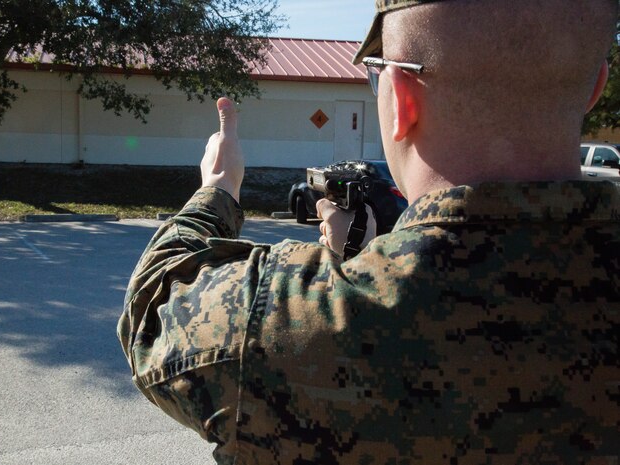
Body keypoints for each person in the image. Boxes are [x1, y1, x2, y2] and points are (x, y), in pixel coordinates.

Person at [118, 0, 620, 463]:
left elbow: (151, 307)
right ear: (595, 87)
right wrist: (376, 253)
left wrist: (219, 190)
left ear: (401, 98)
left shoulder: (279, 320)